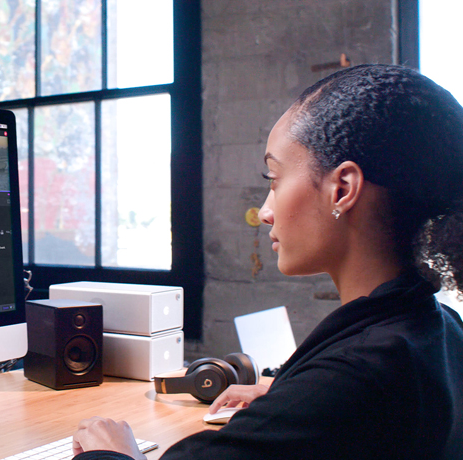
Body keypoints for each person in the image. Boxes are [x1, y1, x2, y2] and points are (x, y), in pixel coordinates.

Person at [70, 64, 463, 459]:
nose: (264, 212)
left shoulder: (348, 384)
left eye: (273, 179)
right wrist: (290, 394)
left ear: (342, 189)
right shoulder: (441, 328)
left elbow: (346, 398)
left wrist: (111, 452)